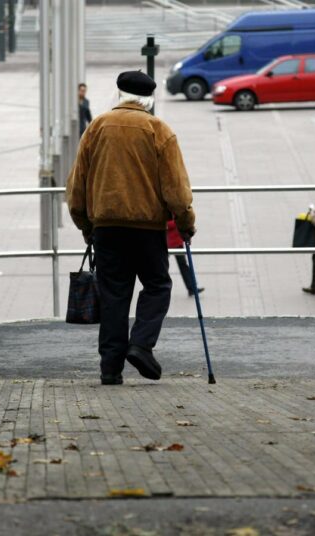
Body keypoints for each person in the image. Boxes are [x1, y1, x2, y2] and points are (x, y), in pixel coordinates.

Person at [66, 71, 196, 386]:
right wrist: (185, 223)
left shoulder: (96, 127)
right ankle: (141, 344)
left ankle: (110, 368)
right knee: (157, 286)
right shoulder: (159, 130)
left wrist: (86, 226)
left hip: (107, 228)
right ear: (149, 99)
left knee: (114, 294)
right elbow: (176, 189)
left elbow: (76, 187)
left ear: (119, 94)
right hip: (148, 228)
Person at [167, 219, 203, 297]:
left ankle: (192, 287)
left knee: (183, 264)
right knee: (162, 266)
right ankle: (159, 287)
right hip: (167, 243)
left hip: (176, 242)